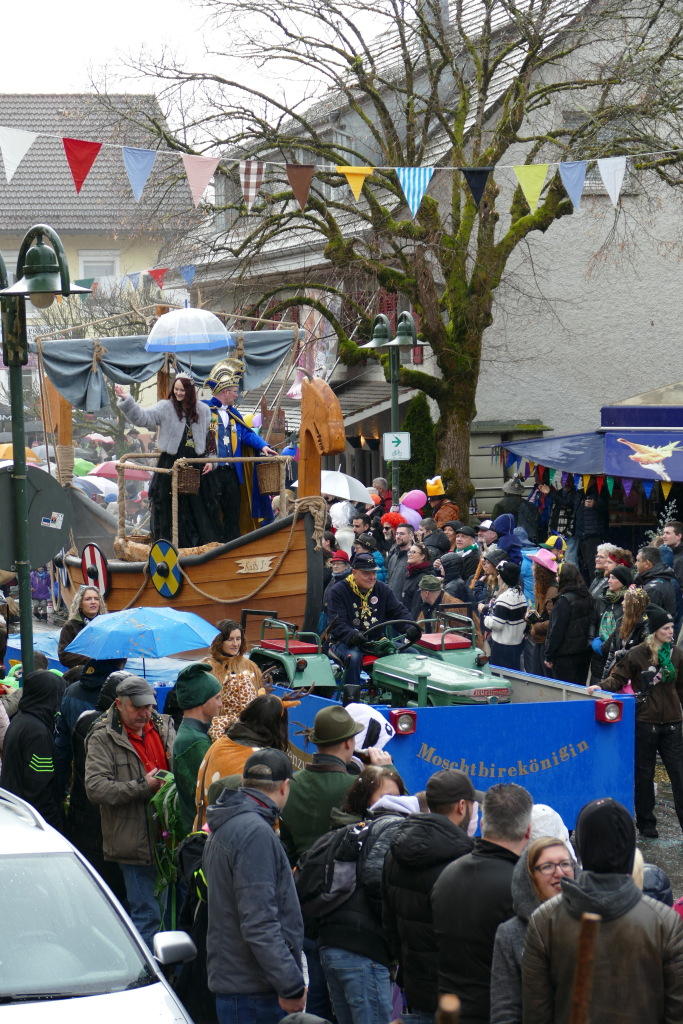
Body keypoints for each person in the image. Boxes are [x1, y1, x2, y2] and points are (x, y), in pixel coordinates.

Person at [522, 797, 683, 1024]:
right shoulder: (664, 922)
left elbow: (536, 1014)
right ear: (630, 849)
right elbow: (676, 1013)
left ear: (582, 848)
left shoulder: (544, 919)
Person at [203, 748, 306, 1023]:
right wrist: (291, 983)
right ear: (285, 787)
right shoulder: (255, 833)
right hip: (253, 993)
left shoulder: (229, 823)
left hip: (239, 985)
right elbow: (259, 922)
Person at [85, 676, 175, 949]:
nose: (144, 713)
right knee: (148, 915)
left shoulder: (163, 724)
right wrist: (142, 786)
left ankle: (170, 971)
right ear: (119, 704)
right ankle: (145, 978)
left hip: (168, 838)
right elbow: (96, 789)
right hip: (133, 841)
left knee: (170, 913)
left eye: (148, 706)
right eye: (137, 707)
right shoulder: (102, 736)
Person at [431, 783, 533, 1024]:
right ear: (528, 831)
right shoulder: (520, 888)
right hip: (497, 1012)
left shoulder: (447, 874)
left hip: (450, 1008)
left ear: (484, 823)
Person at [383, 769, 478, 1024]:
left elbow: (389, 923)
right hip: (456, 993)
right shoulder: (464, 858)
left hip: (414, 987)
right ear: (461, 807)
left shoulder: (395, 851)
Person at [598, 604, 683, 838]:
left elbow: (680, 687)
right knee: (644, 774)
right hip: (646, 722)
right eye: (666, 628)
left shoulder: (676, 654)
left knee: (679, 773)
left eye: (672, 627)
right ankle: (646, 823)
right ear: (655, 630)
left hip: (673, 723)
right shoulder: (636, 654)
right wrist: (600, 687)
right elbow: (617, 678)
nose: (671, 631)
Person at [115, 375, 218, 547]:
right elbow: (143, 418)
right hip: (170, 463)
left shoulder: (204, 410)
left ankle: (196, 546)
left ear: (190, 391)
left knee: (197, 508)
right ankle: (168, 544)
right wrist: (127, 400)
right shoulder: (165, 407)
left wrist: (211, 460)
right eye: (176, 389)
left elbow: (210, 439)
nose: (178, 393)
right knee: (168, 507)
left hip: (196, 463)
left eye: (182, 390)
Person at [490, 837, 575, 1024]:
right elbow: (505, 1010)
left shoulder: (592, 922)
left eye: (565, 864)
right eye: (547, 866)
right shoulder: (510, 934)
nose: (559, 873)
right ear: (530, 877)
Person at [204, 358, 278, 541]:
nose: (236, 395)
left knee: (233, 511)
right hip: (209, 471)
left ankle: (232, 545)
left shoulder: (233, 413)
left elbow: (246, 434)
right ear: (226, 391)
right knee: (211, 511)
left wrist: (263, 446)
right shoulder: (204, 409)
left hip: (231, 472)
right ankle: (211, 545)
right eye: (235, 392)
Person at [194, 693, 290, 828]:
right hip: (238, 838)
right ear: (278, 727)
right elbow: (266, 812)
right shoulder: (260, 762)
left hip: (206, 831)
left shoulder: (220, 742)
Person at [327, 552, 417, 695]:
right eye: (366, 573)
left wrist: (410, 626)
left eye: (374, 573)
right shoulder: (338, 591)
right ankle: (351, 700)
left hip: (376, 642)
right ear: (354, 572)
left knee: (412, 653)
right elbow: (337, 624)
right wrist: (352, 635)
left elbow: (398, 611)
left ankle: (406, 696)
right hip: (345, 642)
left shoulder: (382, 589)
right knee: (354, 658)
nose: (372, 577)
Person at [0, 669, 66, 832]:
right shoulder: (38, 733)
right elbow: (39, 787)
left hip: (14, 814)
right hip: (35, 823)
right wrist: (55, 826)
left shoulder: (19, 720)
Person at [54, 657, 127, 791]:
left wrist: (61, 787)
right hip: (112, 782)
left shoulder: (71, 690)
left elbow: (62, 746)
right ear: (122, 663)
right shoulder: (119, 695)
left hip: (79, 775)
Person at [172, 662, 222, 834]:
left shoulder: (194, 734)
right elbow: (212, 794)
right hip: (200, 835)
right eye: (217, 698)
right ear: (201, 700)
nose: (220, 704)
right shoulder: (194, 742)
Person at [205, 619, 263, 740]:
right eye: (230, 639)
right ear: (219, 641)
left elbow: (259, 697)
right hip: (219, 730)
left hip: (249, 729)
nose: (235, 644)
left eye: (238, 638)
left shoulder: (250, 666)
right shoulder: (208, 667)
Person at [544, 562, 593, 685]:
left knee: (565, 693)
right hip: (584, 654)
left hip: (564, 656)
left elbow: (557, 631)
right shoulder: (588, 596)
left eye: (558, 576)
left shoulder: (563, 600)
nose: (556, 578)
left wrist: (549, 655)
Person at [588, 564, 630, 684]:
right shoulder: (601, 599)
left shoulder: (627, 603)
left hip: (616, 654)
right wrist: (591, 641)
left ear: (623, 581)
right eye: (609, 577)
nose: (609, 581)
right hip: (598, 652)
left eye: (614, 578)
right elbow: (593, 621)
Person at [484, 561, 528, 670]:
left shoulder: (505, 598)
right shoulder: (520, 594)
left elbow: (497, 625)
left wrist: (486, 617)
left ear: (504, 578)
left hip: (503, 649)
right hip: (516, 645)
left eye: (499, 574)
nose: (497, 577)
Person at [600, 585, 649, 680]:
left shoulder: (645, 626)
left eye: (625, 600)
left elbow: (644, 653)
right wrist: (604, 678)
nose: (622, 603)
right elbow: (611, 653)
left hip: (634, 677)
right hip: (618, 672)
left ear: (635, 604)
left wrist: (621, 654)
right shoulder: (620, 622)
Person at [523, 549, 559, 676]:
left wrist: (537, 626)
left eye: (534, 565)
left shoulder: (552, 591)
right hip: (540, 641)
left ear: (540, 570)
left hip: (546, 643)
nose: (532, 567)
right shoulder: (541, 588)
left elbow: (554, 622)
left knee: (545, 678)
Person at [57, 585, 107, 669]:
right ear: (80, 604)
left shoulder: (106, 624)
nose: (93, 602)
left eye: (96, 599)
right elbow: (64, 656)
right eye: (88, 599)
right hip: (81, 673)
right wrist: (92, 659)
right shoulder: (71, 626)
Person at [573, 487, 608, 581]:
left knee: (594, 564)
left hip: (593, 535)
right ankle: (591, 585)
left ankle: (595, 586)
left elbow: (605, 508)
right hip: (581, 535)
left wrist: (595, 503)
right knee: (587, 564)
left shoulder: (600, 492)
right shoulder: (580, 493)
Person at [634, 545, 677, 618]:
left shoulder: (652, 589)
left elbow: (647, 620)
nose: (635, 564)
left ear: (647, 563)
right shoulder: (665, 578)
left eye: (638, 560)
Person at [402, 541, 433, 618]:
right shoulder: (410, 574)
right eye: (409, 552)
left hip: (412, 621)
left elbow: (417, 606)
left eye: (413, 552)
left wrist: (412, 625)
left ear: (422, 556)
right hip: (405, 617)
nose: (409, 554)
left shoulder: (423, 577)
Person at [386, 522, 415, 597]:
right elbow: (388, 579)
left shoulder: (414, 558)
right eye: (397, 534)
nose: (398, 536)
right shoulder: (393, 556)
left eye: (402, 534)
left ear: (411, 536)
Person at [662, 520, 683, 589]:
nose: (664, 536)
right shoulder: (664, 554)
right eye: (664, 533)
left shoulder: (680, 559)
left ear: (678, 536)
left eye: (667, 533)